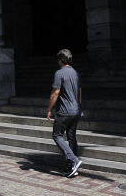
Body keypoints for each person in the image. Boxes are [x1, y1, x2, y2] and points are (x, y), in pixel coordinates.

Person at [47, 49, 82, 178]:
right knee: (72, 136)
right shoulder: (75, 73)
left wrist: (49, 109)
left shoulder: (59, 73)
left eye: (58, 60)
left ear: (61, 60)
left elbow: (55, 92)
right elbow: (80, 92)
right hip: (76, 110)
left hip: (64, 111)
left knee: (57, 135)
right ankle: (72, 166)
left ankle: (74, 160)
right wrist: (78, 107)